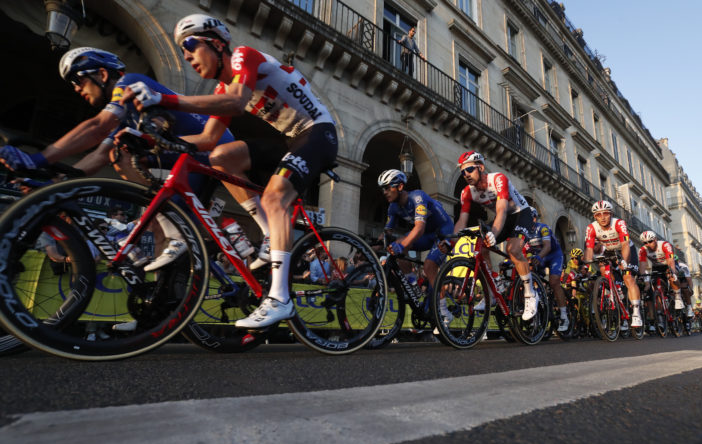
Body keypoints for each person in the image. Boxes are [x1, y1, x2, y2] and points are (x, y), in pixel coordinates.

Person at [122, 14, 338, 328]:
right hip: (291, 138)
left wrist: (162, 98)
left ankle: (280, 300)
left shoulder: (243, 56)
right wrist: (152, 143)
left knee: (275, 198)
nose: (187, 56)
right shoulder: (226, 84)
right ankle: (267, 233)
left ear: (217, 43)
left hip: (319, 133)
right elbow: (208, 139)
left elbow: (236, 103)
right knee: (221, 155)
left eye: (191, 45)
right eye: (182, 50)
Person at [0, 46, 235, 272]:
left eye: (77, 80)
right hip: (188, 157)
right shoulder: (123, 118)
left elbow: (97, 127)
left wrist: (38, 160)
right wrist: (55, 182)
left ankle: (177, 222)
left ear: (102, 74)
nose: (75, 89)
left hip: (211, 147)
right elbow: (99, 155)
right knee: (159, 227)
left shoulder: (130, 83)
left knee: (161, 212)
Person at [452, 151, 538, 319]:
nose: (466, 175)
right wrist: (450, 242)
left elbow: (501, 210)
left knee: (513, 249)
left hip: (521, 214)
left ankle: (530, 294)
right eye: (463, 172)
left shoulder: (498, 179)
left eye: (469, 170)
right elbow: (461, 221)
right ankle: (491, 291)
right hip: (504, 218)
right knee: (480, 245)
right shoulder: (467, 193)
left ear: (481, 167)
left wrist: (494, 233)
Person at [378, 169, 454, 323]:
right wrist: (377, 246)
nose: (384, 192)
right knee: (395, 247)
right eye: (382, 189)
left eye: (387, 188)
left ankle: (444, 311)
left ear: (399, 186)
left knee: (429, 265)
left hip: (443, 231)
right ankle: (412, 283)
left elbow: (419, 228)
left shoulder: (417, 196)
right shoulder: (393, 207)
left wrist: (403, 244)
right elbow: (387, 232)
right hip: (426, 235)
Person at [583, 200, 642, 329]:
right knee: (605, 274)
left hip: (625, 250)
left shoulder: (619, 223)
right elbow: (589, 248)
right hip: (609, 251)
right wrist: (586, 267)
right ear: (594, 217)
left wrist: (625, 262)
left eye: (606, 213)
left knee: (628, 277)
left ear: (611, 214)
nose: (603, 217)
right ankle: (616, 294)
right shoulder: (591, 228)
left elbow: (625, 245)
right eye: (599, 215)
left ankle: (636, 312)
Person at [526, 207, 569, 331]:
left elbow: (548, 246)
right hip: (539, 256)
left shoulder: (543, 228)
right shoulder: (524, 232)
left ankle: (564, 315)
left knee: (554, 282)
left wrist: (538, 257)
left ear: (534, 218)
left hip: (553, 255)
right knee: (529, 278)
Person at [638, 230, 687, 314]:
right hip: (657, 267)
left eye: (650, 241)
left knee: (671, 276)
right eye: (645, 243)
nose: (648, 244)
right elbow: (642, 265)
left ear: (655, 239)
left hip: (669, 264)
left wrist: (672, 272)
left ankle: (678, 296)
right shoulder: (643, 250)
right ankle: (660, 312)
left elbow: (670, 261)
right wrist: (642, 276)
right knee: (656, 287)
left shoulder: (665, 245)